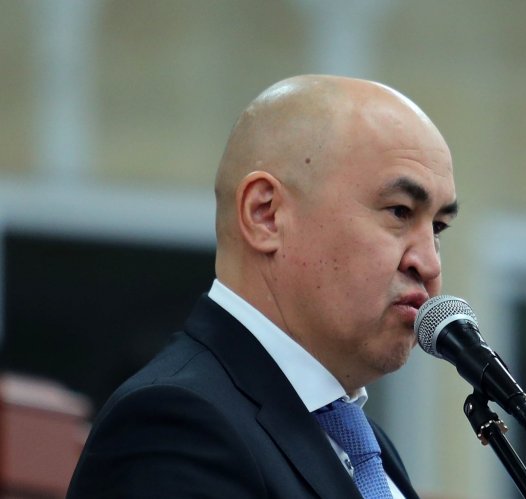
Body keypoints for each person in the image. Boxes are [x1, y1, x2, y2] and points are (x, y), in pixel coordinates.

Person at [67, 74, 459, 498]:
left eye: (438, 227)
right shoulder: (174, 425)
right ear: (265, 214)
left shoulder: (367, 448)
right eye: (400, 211)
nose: (429, 263)